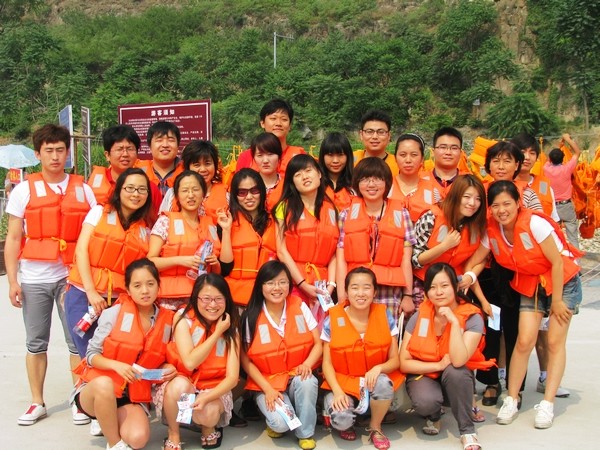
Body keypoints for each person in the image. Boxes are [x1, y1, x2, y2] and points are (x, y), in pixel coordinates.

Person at [466, 181, 582, 429]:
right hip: (532, 283)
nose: (501, 210)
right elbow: (476, 261)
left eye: (507, 204)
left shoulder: (535, 224)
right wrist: (467, 277)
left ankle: (548, 404)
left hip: (562, 282)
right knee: (524, 340)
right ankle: (511, 398)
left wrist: (557, 301)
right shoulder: (492, 231)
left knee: (554, 342)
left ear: (518, 203)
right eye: (495, 205)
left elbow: (557, 263)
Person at [5, 124, 97, 426]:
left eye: (60, 150)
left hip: (72, 278)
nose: (55, 156)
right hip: (35, 277)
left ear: (67, 152)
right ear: (38, 154)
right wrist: (13, 281)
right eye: (49, 151)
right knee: (36, 342)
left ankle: (80, 399)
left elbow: (95, 234)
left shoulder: (84, 189)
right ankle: (37, 401)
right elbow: (14, 238)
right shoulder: (23, 190)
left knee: (77, 341)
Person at [71, 258, 176, 450]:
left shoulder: (167, 320)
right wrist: (117, 365)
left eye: (150, 284)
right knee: (104, 384)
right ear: (128, 289)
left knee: (138, 439)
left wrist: (166, 368)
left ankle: (110, 421)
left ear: (158, 286)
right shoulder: (114, 313)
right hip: (97, 390)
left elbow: (157, 360)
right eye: (137, 285)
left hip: (131, 395)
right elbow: (91, 355)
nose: (145, 291)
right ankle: (114, 443)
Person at [400, 263, 491, 450]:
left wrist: (454, 323)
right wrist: (438, 365)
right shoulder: (420, 316)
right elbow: (404, 362)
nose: (439, 292)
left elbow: (458, 360)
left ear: (456, 287)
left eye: (444, 286)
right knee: (426, 402)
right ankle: (434, 415)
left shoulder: (472, 317)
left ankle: (467, 431)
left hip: (454, 375)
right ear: (426, 292)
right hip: (426, 373)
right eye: (432, 287)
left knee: (457, 371)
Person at [66, 168, 155, 357]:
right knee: (88, 356)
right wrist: (91, 292)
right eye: (130, 188)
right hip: (84, 294)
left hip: (118, 301)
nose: (136, 194)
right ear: (119, 190)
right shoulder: (98, 213)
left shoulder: (145, 230)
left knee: (113, 354)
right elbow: (81, 251)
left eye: (142, 189)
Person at [240, 261, 322, 450]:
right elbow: (245, 360)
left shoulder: (300, 306)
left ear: (289, 285)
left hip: (296, 376)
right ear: (261, 286)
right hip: (268, 382)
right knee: (280, 425)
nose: (276, 288)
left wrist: (307, 364)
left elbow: (318, 344)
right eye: (270, 283)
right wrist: (267, 389)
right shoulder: (250, 316)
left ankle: (305, 434)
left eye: (282, 282)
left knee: (308, 381)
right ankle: (274, 417)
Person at [321, 267, 404, 450]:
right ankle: (345, 419)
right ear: (346, 292)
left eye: (366, 287)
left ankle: (375, 426)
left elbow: (395, 360)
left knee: (384, 383)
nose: (360, 293)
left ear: (374, 292)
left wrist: (378, 368)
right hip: (343, 383)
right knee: (342, 420)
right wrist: (337, 391)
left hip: (371, 382)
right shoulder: (332, 319)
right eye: (355, 287)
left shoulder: (385, 315)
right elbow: (326, 363)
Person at [160, 273, 240, 450]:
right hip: (185, 383)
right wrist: (217, 333)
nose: (212, 305)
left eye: (219, 299)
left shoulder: (231, 327)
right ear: (196, 298)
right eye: (206, 299)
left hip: (212, 387)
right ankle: (174, 433)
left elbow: (232, 378)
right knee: (178, 386)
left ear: (226, 300)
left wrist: (207, 397)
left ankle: (207, 427)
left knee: (209, 413)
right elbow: (190, 363)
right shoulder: (183, 319)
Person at [336, 157, 415, 323]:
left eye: (378, 179)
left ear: (387, 183)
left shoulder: (402, 214)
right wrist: (342, 294)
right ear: (357, 183)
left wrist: (408, 295)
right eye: (365, 179)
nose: (371, 184)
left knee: (386, 335)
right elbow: (341, 258)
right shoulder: (346, 214)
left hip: (389, 292)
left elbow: (405, 259)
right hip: (356, 291)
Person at [148, 171, 227, 311]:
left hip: (202, 300)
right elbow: (150, 263)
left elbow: (216, 272)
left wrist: (215, 264)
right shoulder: (165, 221)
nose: (191, 195)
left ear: (203, 194)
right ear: (177, 196)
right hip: (168, 302)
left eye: (195, 189)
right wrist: (180, 260)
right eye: (185, 190)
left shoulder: (210, 225)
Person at [411, 175, 487, 312]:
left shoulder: (477, 225)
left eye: (478, 199)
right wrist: (444, 246)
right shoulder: (431, 217)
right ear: (456, 195)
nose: (472, 203)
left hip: (455, 287)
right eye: (467, 197)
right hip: (425, 284)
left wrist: (470, 277)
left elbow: (481, 259)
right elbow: (415, 260)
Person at [274, 154, 338, 310]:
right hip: (294, 281)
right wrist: (302, 284)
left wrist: (331, 284)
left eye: (308, 171)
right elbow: (281, 250)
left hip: (324, 286)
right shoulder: (284, 207)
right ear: (292, 182)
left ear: (319, 173)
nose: (304, 177)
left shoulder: (332, 209)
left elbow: (334, 251)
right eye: (298, 174)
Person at [221, 169, 278, 307]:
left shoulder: (275, 221)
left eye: (254, 191)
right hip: (235, 298)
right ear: (235, 195)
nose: (249, 197)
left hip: (268, 296)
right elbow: (224, 268)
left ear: (262, 191)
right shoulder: (226, 221)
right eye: (242, 192)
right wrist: (226, 231)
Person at [88, 124, 162, 211]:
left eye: (130, 149)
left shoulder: (150, 188)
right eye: (119, 149)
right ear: (107, 155)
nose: (125, 154)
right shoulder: (89, 189)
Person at [160, 140, 229, 223]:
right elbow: (162, 224)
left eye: (207, 163)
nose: (203, 169)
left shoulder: (227, 196)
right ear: (187, 167)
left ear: (215, 165)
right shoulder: (173, 194)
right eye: (197, 165)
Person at [236, 99, 306, 175]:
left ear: (290, 126)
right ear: (262, 123)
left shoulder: (300, 155)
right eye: (273, 118)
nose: (278, 123)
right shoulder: (247, 157)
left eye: (284, 119)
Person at [544, 133, 582, 249]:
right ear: (563, 158)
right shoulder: (567, 168)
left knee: (554, 236)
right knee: (572, 236)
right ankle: (575, 258)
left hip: (552, 207)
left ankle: (558, 258)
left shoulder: (546, 169)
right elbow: (577, 152)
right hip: (566, 206)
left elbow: (548, 159)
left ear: (550, 159)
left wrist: (560, 145)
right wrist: (567, 139)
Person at [388, 133, 434, 223]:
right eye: (403, 155)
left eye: (414, 155)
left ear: (422, 159)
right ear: (395, 158)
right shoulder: (385, 187)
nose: (408, 160)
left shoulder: (433, 190)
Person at [511, 133, 559, 219]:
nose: (527, 157)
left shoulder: (543, 185)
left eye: (532, 153)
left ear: (537, 157)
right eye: (522, 152)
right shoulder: (504, 186)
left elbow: (553, 218)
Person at [421, 126, 467, 203]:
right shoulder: (419, 180)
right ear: (433, 151)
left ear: (461, 152)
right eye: (443, 147)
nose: (448, 152)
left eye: (454, 148)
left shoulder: (469, 182)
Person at [137, 121, 184, 196]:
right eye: (159, 140)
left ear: (178, 145)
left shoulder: (187, 171)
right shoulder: (137, 170)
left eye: (171, 140)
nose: (165, 145)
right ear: (150, 146)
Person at [353, 110, 398, 176]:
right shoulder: (350, 160)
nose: (375, 137)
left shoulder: (398, 163)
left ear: (389, 135)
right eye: (369, 132)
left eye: (381, 132)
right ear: (361, 134)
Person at [318, 131, 355, 211]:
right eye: (330, 155)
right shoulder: (316, 184)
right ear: (322, 156)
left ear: (348, 156)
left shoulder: (356, 183)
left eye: (340, 155)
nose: (335, 161)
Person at [250, 132, 284, 211]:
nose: (265, 160)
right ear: (254, 158)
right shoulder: (247, 186)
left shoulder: (288, 186)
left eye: (270, 154)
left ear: (279, 156)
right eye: (260, 155)